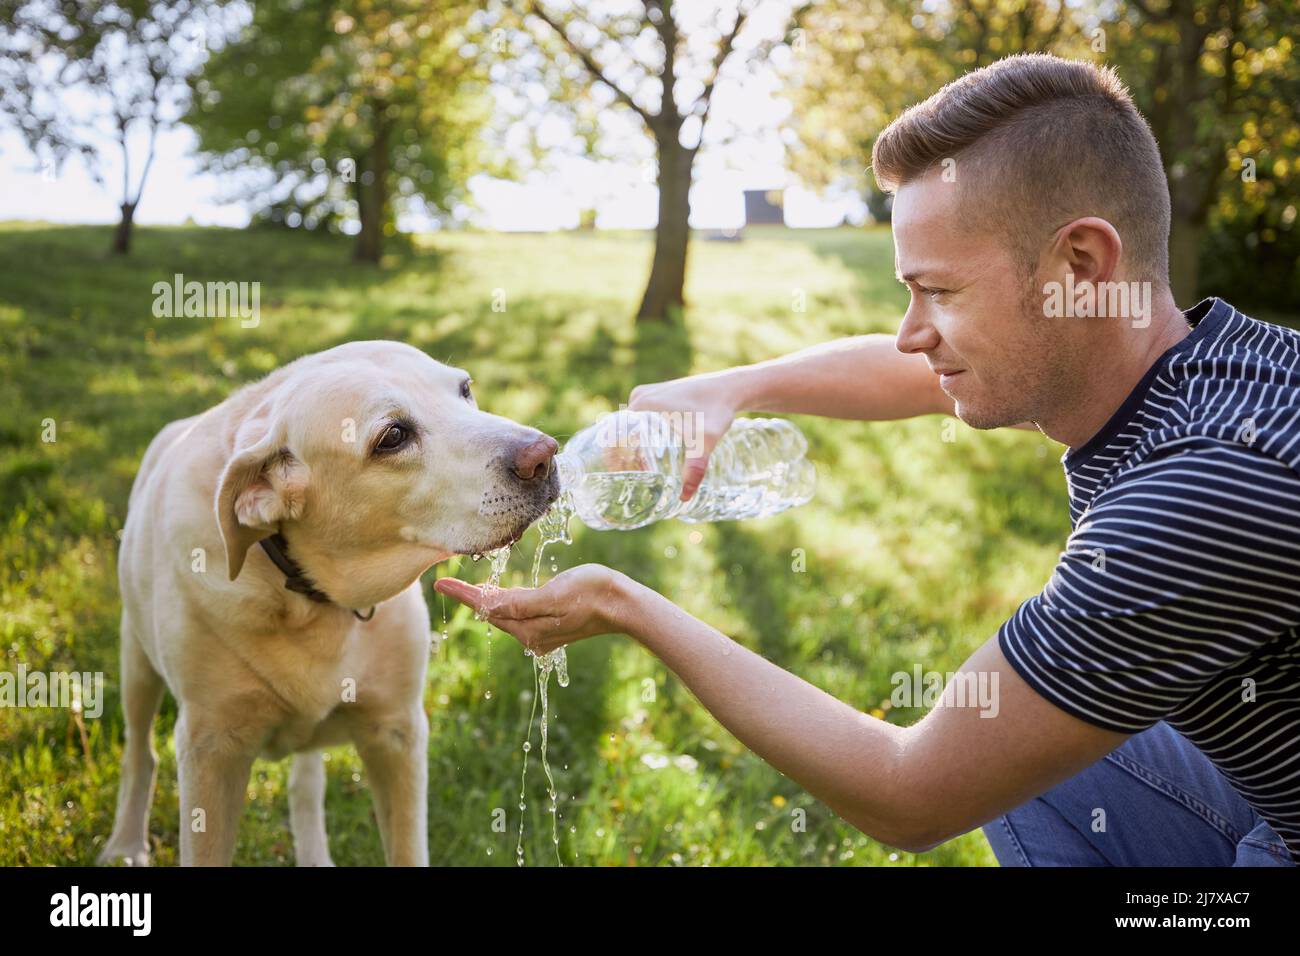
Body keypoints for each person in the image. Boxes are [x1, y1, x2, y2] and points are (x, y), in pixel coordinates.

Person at [435, 53, 1300, 866]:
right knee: (1024, 733)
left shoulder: (1199, 493)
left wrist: (628, 607)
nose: (912, 331)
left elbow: (911, 794)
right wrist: (737, 386)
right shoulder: (1210, 363)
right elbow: (922, 372)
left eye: (941, 290)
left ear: (1080, 262)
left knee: (985, 743)